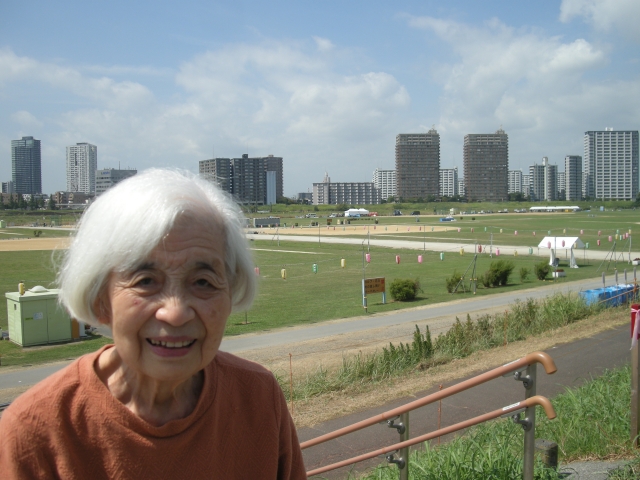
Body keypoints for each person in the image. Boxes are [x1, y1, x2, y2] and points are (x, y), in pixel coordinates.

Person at [0, 169, 306, 479]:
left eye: (203, 282)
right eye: (145, 281)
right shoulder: (31, 434)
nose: (175, 313)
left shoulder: (258, 397)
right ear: (100, 298)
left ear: (230, 293)